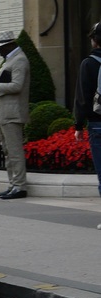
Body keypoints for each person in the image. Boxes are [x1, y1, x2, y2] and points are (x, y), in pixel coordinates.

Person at [0, 30, 31, 200]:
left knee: (14, 151)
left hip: (13, 113)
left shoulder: (19, 60)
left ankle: (19, 186)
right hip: (5, 112)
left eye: (1, 48)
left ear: (9, 45)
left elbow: (17, 86)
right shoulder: (10, 60)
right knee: (7, 151)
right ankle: (13, 184)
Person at [74, 22, 101, 197]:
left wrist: (78, 126)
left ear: (94, 40)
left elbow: (82, 98)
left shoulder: (88, 64)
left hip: (97, 123)